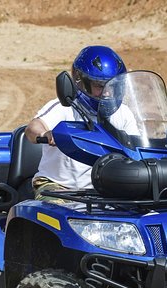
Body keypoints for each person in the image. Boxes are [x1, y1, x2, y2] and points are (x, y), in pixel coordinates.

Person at [25, 45, 137, 201]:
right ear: (81, 82)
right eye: (100, 85)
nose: (108, 92)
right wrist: (45, 134)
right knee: (59, 213)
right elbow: (32, 128)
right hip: (57, 186)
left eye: (113, 85)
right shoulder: (65, 106)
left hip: (104, 188)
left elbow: (137, 147)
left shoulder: (123, 113)